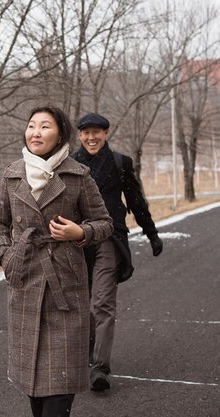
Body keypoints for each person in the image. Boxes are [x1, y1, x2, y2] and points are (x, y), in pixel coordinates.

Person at [0, 106, 113, 417]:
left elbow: (104, 223)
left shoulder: (77, 175)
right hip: (25, 280)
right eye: (32, 125)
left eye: (45, 126)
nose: (36, 132)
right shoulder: (13, 173)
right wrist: (6, 256)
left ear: (60, 133)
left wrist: (79, 232)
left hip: (66, 288)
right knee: (33, 389)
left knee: (58, 392)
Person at [72, 112, 163, 392]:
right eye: (86, 132)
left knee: (103, 303)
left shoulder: (120, 163)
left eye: (96, 132)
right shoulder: (70, 164)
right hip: (77, 241)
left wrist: (151, 233)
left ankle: (100, 367)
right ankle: (89, 353)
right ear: (79, 135)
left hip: (110, 239)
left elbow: (136, 201)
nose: (91, 137)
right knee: (81, 305)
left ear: (106, 133)